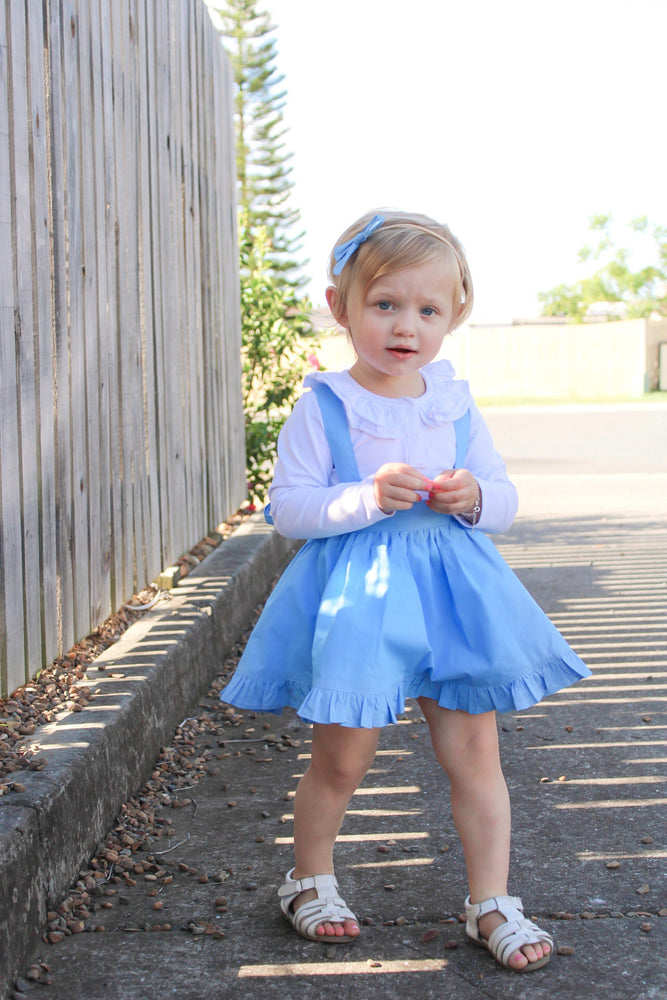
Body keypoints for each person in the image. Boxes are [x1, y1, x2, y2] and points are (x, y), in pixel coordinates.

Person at [221, 209, 591, 972]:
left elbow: (505, 496)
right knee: (344, 758)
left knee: (474, 751)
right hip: (363, 602)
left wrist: (473, 499)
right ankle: (309, 879)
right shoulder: (325, 405)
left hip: (451, 598)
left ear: (453, 316)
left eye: (427, 310)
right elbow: (287, 507)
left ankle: (490, 899)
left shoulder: (450, 402)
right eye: (384, 304)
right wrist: (363, 496)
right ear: (340, 307)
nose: (405, 326)